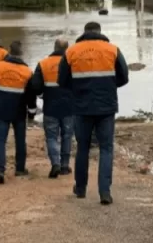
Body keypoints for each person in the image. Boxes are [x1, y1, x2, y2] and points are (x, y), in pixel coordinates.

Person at [58, 21, 129, 205]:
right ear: (100, 32)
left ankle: (80, 189)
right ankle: (104, 192)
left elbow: (62, 80)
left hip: (81, 107)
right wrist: (108, 86)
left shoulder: (71, 51)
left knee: (82, 147)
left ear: (84, 32)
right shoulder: (112, 50)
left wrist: (78, 91)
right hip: (106, 107)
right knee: (106, 148)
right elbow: (124, 77)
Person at [0, 41, 36, 184]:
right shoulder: (27, 71)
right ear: (21, 53)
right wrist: (31, 112)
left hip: (0, 109)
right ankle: (20, 168)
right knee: (20, 140)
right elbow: (31, 94)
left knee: (0, 140)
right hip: (18, 111)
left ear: (9, 51)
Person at [32, 37, 75, 179]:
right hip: (69, 106)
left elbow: (36, 86)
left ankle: (55, 163)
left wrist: (41, 94)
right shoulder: (72, 63)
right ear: (67, 48)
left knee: (51, 137)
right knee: (67, 136)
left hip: (50, 105)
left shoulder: (43, 64)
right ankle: (64, 165)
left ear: (54, 47)